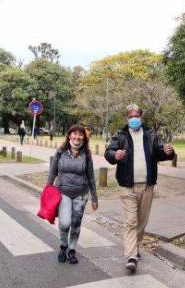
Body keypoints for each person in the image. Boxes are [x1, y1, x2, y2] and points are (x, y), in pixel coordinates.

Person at [104, 104, 174, 273]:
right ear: (127, 118)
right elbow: (109, 153)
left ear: (141, 118)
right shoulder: (120, 135)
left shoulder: (151, 135)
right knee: (131, 221)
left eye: (136, 115)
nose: (134, 118)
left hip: (147, 185)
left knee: (141, 222)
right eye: (130, 116)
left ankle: (135, 246)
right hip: (127, 186)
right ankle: (132, 256)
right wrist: (115, 155)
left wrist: (169, 152)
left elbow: (160, 153)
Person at [47, 124, 98, 264]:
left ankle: (71, 250)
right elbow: (52, 172)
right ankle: (63, 245)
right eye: (74, 134)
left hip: (81, 194)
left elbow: (91, 177)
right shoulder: (60, 152)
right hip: (63, 192)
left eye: (80, 134)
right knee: (64, 223)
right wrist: (47, 189)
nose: (77, 137)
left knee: (76, 223)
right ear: (69, 135)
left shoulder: (86, 155)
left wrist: (94, 197)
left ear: (83, 138)